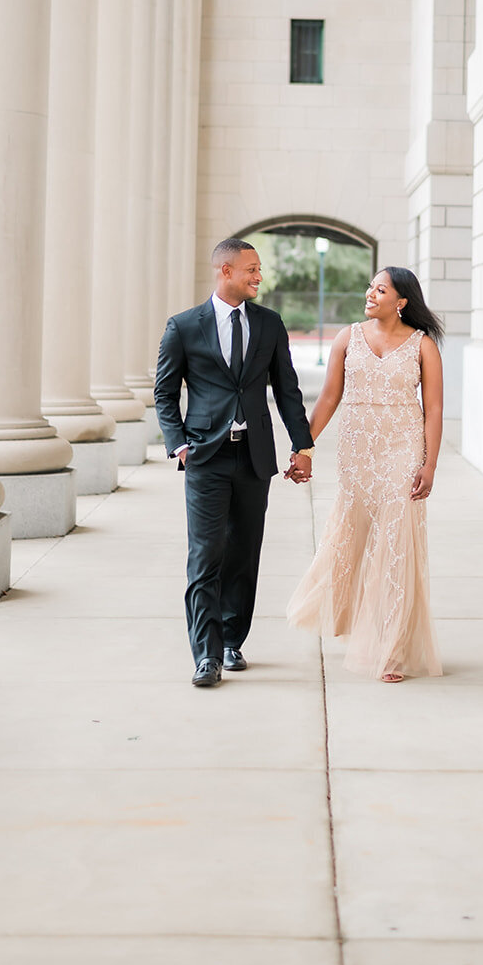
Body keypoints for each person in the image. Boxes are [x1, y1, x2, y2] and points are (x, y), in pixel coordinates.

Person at [154, 238, 315, 688]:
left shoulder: (269, 324)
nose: (258, 276)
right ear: (225, 271)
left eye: (259, 269)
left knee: (243, 555)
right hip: (206, 456)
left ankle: (231, 641)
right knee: (206, 556)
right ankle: (206, 655)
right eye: (251, 269)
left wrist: (302, 446)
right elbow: (165, 393)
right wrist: (178, 443)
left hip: (253, 457)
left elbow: (287, 389)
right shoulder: (184, 326)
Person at [287, 266, 443, 682]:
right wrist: (304, 447)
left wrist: (429, 464)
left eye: (380, 289)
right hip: (358, 452)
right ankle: (355, 622)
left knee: (396, 544)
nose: (370, 294)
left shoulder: (422, 346)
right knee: (353, 537)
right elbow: (329, 397)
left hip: (402, 449)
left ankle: (390, 650)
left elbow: (435, 410)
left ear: (402, 301)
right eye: (370, 287)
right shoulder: (347, 337)